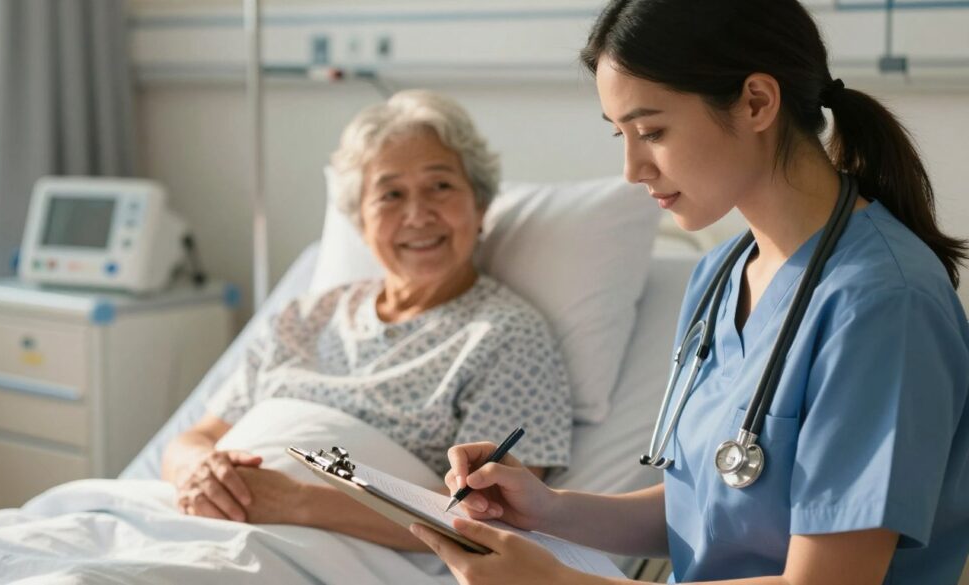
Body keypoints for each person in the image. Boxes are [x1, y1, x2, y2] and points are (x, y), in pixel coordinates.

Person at [410, 1, 969, 583]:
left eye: (651, 131)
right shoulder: (721, 275)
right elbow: (709, 509)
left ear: (757, 102)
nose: (632, 168)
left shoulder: (883, 305)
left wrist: (556, 582)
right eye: (620, 134)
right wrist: (548, 510)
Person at [161, 90, 573, 551]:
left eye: (440, 186)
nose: (417, 214)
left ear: (479, 207)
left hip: (326, 554)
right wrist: (199, 469)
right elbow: (194, 437)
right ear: (361, 222)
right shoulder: (303, 316)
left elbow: (495, 517)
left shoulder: (507, 337)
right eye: (390, 195)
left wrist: (295, 502)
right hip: (195, 523)